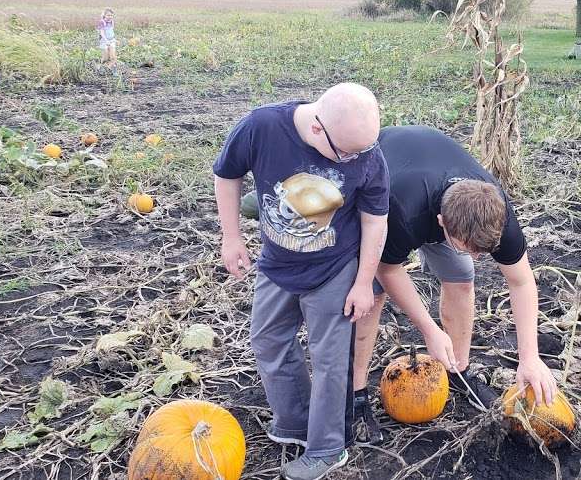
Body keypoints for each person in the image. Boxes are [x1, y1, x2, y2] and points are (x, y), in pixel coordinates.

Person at [213, 83, 388, 480]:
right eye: (345, 152)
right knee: (268, 338)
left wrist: (363, 282)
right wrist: (231, 236)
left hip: (335, 268)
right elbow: (227, 175)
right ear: (316, 129)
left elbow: (376, 219)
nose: (355, 159)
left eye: (361, 151)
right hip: (278, 263)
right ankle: (296, 422)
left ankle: (328, 448)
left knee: (329, 359)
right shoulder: (261, 127)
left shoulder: (367, 153)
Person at [350, 125, 557, 444]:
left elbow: (521, 281)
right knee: (370, 298)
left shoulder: (496, 212)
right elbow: (387, 269)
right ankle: (356, 396)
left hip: (439, 186)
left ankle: (456, 368)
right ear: (442, 223)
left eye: (482, 250)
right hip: (390, 185)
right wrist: (430, 330)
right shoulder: (403, 211)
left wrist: (529, 357)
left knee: (462, 278)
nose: (476, 256)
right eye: (468, 247)